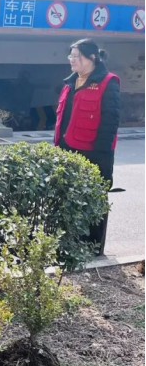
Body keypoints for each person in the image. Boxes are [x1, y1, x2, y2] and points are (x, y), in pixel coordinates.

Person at [54, 38, 120, 254]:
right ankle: (69, 244)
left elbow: (110, 122)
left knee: (95, 200)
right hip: (67, 149)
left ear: (92, 58)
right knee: (68, 197)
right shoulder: (70, 82)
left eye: (77, 56)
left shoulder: (108, 82)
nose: (72, 60)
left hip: (94, 153)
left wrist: (100, 158)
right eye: (71, 56)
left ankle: (93, 248)